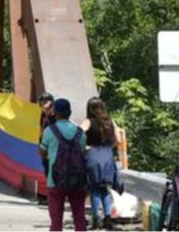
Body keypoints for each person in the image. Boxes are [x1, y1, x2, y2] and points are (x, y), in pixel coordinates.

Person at [39, 98, 88, 232]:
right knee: (79, 218)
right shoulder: (80, 133)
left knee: (56, 221)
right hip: (78, 179)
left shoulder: (49, 131)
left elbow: (42, 152)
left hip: (55, 179)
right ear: (70, 112)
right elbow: (82, 152)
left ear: (55, 113)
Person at [79, 97, 122, 230]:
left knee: (94, 189)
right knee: (105, 189)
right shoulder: (110, 122)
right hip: (107, 156)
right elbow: (119, 140)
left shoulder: (88, 122)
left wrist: (84, 147)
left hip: (93, 157)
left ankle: (96, 219)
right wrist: (109, 146)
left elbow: (77, 134)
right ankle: (108, 218)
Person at [37, 91, 57, 179]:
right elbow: (41, 128)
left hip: (53, 148)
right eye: (42, 101)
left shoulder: (55, 115)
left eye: (46, 101)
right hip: (45, 147)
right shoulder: (43, 115)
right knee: (47, 171)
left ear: (52, 102)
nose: (43, 104)